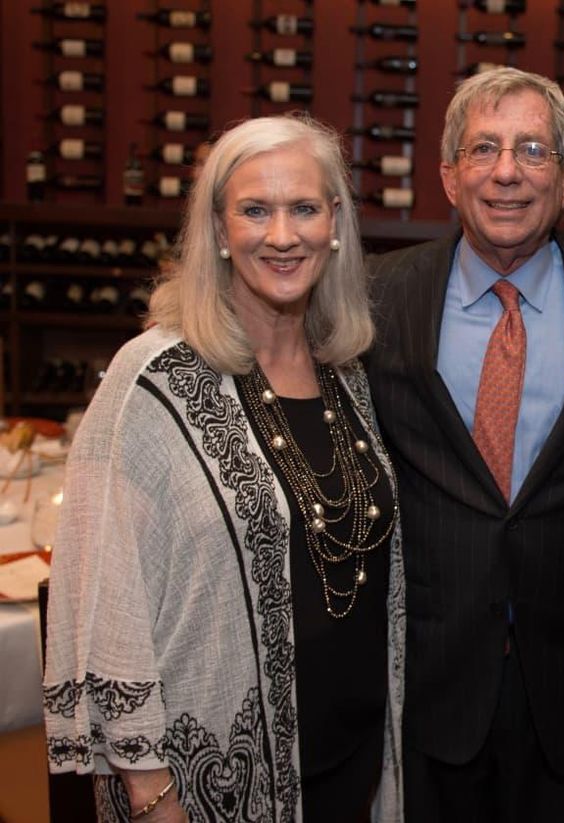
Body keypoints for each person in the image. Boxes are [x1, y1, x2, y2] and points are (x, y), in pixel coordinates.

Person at [42, 114, 404, 823]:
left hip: (347, 767)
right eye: (254, 210)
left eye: (303, 208)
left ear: (335, 222)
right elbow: (99, 594)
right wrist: (151, 793)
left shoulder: (346, 374)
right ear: (216, 228)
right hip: (212, 790)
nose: (281, 234)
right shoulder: (151, 379)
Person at [366, 68, 564, 822]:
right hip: (429, 670)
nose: (507, 171)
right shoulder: (377, 296)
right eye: (484, 148)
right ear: (450, 176)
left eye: (532, 149)